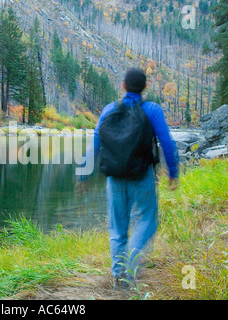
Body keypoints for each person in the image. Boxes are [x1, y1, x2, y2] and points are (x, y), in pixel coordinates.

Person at [79, 68, 179, 288]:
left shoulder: (108, 110)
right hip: (141, 175)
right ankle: (130, 266)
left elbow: (95, 143)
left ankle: (118, 274)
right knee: (148, 220)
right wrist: (173, 172)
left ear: (123, 86)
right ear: (145, 87)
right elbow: (167, 142)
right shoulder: (152, 109)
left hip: (114, 177)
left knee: (117, 228)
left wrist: (82, 174)